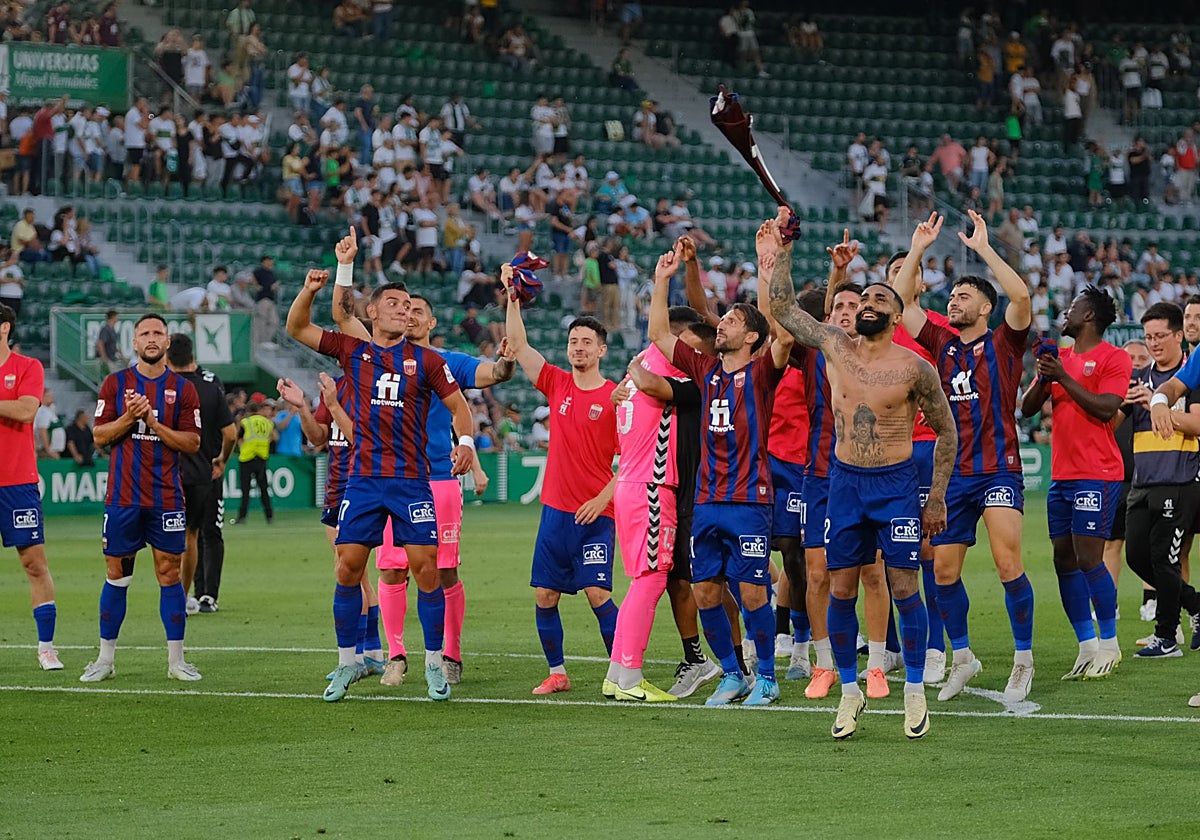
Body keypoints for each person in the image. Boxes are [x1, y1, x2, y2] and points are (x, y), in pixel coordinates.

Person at [767, 214, 954, 740]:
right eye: (862, 299)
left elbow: (947, 432)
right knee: (841, 586)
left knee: (902, 584)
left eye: (878, 298)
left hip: (895, 486)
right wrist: (784, 247)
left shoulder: (916, 369)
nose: (867, 304)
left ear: (896, 312)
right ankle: (849, 692)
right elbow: (781, 309)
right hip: (844, 483)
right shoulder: (834, 345)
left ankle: (913, 690)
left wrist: (935, 495)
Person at [286, 231, 474, 703]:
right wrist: (312, 287)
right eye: (394, 302)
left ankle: (433, 664)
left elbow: (460, 409)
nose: (404, 310)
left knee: (427, 571)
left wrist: (467, 440)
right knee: (348, 568)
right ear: (372, 312)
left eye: (409, 305)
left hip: (413, 482)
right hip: (364, 479)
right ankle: (348, 662)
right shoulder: (356, 351)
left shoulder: (428, 360)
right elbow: (299, 329)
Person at [332, 262, 515, 686]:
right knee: (390, 570)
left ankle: (449, 654)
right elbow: (342, 317)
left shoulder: (444, 361)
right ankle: (396, 654)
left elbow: (492, 376)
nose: (409, 315)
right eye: (403, 308)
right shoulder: (375, 353)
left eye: (418, 311)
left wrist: (505, 361)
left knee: (442, 570)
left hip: (436, 478)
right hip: (382, 477)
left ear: (430, 321)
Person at [646, 223, 792, 708]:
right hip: (707, 501)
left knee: (752, 591)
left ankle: (768, 676)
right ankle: (734, 674)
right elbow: (658, 335)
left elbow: (783, 332)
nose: (721, 323)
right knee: (705, 589)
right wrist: (662, 277)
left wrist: (768, 265)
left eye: (730, 319)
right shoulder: (706, 369)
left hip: (749, 501)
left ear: (751, 335)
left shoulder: (763, 371)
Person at [894, 210, 1036, 704]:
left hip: (998, 468)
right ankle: (963, 657)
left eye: (963, 295)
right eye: (952, 295)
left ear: (984, 307)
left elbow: (1021, 297)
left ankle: (1023, 661)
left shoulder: (1006, 341)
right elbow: (902, 303)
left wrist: (984, 251)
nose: (953, 300)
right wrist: (916, 249)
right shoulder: (940, 342)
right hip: (951, 474)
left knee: (1006, 561)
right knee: (944, 572)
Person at [501, 262, 620, 695]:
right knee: (545, 597)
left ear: (602, 350)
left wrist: (602, 497)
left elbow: (627, 465)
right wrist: (513, 298)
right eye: (573, 341)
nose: (579, 348)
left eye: (587, 342)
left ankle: (622, 668)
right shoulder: (556, 384)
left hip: (598, 514)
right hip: (555, 512)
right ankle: (557, 672)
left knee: (596, 594)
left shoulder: (615, 396)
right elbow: (518, 344)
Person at [81, 315, 202, 683]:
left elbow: (193, 443)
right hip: (122, 498)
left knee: (169, 574)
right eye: (144, 333)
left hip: (166, 497)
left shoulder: (183, 389)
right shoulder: (115, 383)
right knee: (116, 576)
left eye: (158, 333)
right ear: (133, 343)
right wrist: (129, 419)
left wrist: (153, 423)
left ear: (168, 342)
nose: (152, 339)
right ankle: (105, 659)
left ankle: (176, 661)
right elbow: (99, 436)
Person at [1020, 288, 1129, 679]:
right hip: (1062, 476)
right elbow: (1028, 409)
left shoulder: (1113, 358)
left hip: (1097, 473)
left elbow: (1106, 408)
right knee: (1062, 557)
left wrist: (1062, 376)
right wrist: (1042, 376)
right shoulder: (1058, 358)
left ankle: (1110, 644)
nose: (1065, 313)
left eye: (1072, 308)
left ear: (1089, 316)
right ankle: (1086, 646)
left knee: (1088, 558)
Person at [1134, 305, 1200, 658]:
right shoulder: (1191, 365)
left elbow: (1195, 423)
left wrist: (1159, 406)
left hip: (1183, 476)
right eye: (1188, 317)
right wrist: (1157, 400)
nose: (1192, 323)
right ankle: (1177, 620)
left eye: (1196, 319)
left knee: (1169, 556)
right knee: (1157, 556)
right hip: (1150, 477)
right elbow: (1170, 389)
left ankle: (1172, 626)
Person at [0, 304, 61, 671]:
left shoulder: (27, 368)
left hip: (17, 482)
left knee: (34, 563)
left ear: (4, 328)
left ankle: (46, 647)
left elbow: (26, 411)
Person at [166, 334, 236, 616]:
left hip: (170, 472)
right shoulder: (211, 384)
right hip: (208, 470)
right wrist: (221, 460)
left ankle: (183, 595)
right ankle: (206, 594)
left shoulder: (165, 385)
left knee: (181, 536)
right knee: (207, 532)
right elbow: (230, 432)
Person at [235, 399, 275, 524]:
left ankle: (242, 517)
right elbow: (273, 437)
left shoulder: (245, 422)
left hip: (247, 457)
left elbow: (238, 437)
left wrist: (243, 447)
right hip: (261, 458)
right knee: (264, 489)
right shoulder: (267, 422)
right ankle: (269, 516)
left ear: (247, 411)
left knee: (245, 490)